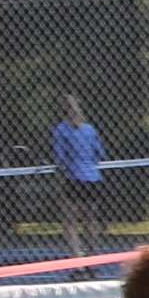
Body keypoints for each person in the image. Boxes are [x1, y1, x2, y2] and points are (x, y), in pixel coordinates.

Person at [51, 98, 106, 257]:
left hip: (74, 179)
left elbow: (60, 158)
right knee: (89, 222)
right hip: (94, 179)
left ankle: (77, 262)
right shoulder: (89, 129)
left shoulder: (60, 130)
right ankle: (92, 257)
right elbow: (100, 154)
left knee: (69, 223)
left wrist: (61, 166)